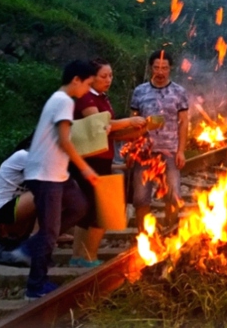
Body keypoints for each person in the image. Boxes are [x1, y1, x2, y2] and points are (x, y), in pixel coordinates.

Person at [19, 60, 99, 300]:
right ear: (76, 80)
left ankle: (32, 247)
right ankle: (35, 287)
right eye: (88, 84)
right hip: (46, 175)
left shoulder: (59, 100)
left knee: (79, 207)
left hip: (57, 174)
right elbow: (65, 140)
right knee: (50, 231)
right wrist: (85, 169)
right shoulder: (64, 101)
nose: (87, 89)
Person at [69, 60, 145, 268]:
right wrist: (130, 121)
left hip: (101, 157)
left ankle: (78, 256)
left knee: (89, 208)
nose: (108, 80)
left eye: (111, 76)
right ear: (91, 77)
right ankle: (88, 257)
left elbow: (109, 130)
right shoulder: (85, 97)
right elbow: (99, 126)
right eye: (104, 76)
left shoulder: (101, 98)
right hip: (89, 159)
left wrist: (135, 132)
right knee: (101, 209)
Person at [130, 50, 189, 230]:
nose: (160, 72)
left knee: (173, 195)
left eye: (164, 68)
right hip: (144, 152)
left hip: (170, 151)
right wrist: (131, 149)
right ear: (151, 69)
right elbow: (132, 122)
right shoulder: (140, 91)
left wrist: (181, 151)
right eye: (157, 67)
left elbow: (184, 122)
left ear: (170, 68)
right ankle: (143, 236)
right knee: (140, 198)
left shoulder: (179, 92)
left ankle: (170, 232)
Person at [0, 136, 36, 238]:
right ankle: (39, 238)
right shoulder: (24, 156)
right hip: (2, 209)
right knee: (48, 192)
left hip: (17, 206)